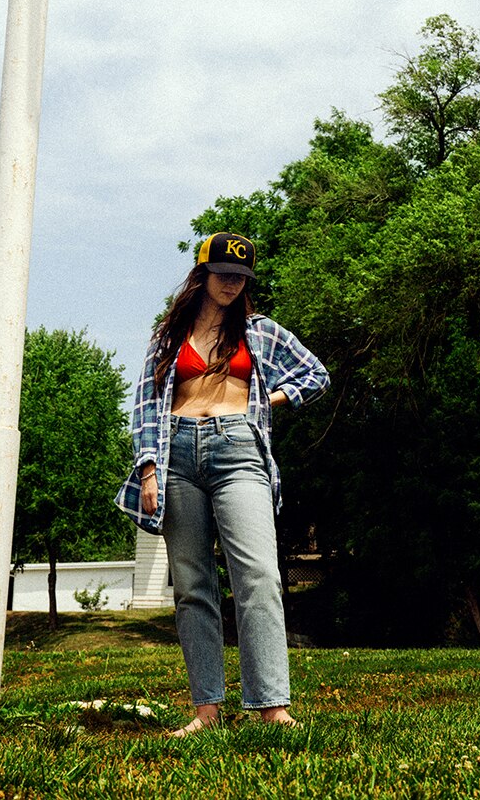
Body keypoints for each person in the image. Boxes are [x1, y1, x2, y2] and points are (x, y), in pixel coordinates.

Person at [115, 231, 330, 735]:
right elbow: (146, 406)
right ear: (203, 275)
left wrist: (267, 402)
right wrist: (149, 469)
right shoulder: (167, 338)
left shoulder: (262, 333)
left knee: (258, 574)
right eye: (224, 274)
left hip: (238, 450)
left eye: (241, 277)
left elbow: (316, 375)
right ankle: (206, 712)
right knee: (192, 585)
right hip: (176, 453)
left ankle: (272, 706)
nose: (232, 284)